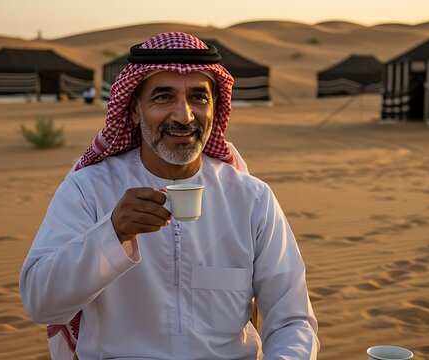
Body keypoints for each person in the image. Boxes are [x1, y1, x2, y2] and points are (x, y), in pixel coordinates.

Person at [19, 32, 319, 360]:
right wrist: (112, 232)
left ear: (215, 109)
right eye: (164, 97)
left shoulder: (252, 199)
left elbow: (292, 320)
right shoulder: (89, 189)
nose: (184, 116)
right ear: (134, 110)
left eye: (198, 98)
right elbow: (40, 302)